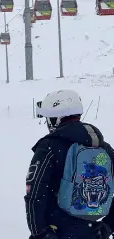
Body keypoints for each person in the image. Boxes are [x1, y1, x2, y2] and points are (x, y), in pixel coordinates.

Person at [25, 89, 114, 239]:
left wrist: (40, 233)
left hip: (56, 231)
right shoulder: (102, 147)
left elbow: (35, 194)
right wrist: (108, 226)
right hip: (93, 232)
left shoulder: (49, 147)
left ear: (55, 119)